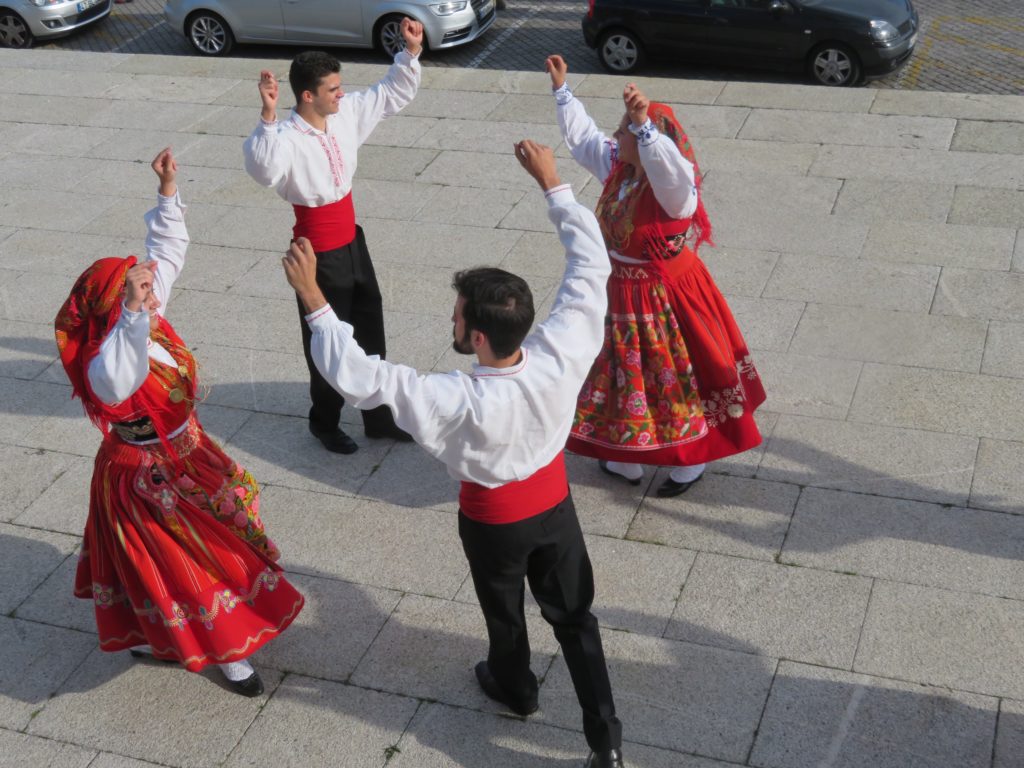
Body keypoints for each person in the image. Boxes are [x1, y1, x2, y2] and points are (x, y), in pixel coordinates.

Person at [282, 141, 625, 768]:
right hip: (555, 507)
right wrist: (553, 184)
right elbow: (589, 266)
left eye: (459, 315)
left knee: (505, 611)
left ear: (479, 337)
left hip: (494, 521)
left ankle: (516, 687)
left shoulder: (454, 397)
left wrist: (315, 300)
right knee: (576, 619)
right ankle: (605, 740)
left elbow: (362, 378)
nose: (452, 318)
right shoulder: (563, 350)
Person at [54, 148, 304, 697]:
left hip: (188, 451)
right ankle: (226, 653)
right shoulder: (107, 362)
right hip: (146, 476)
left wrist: (168, 191)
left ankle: (163, 630)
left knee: (234, 512)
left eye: (144, 282)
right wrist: (137, 317)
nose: (148, 282)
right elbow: (123, 375)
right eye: (136, 285)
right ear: (116, 305)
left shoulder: (145, 310)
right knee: (188, 560)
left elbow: (166, 251)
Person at [545, 55, 766, 497]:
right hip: (620, 294)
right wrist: (562, 90)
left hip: (666, 298)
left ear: (648, 141)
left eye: (624, 131)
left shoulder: (672, 189)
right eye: (625, 128)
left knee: (677, 377)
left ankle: (693, 457)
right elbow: (585, 139)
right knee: (626, 378)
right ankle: (626, 456)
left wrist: (644, 125)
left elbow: (669, 171)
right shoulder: (620, 169)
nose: (617, 135)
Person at [243, 20, 424, 455]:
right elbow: (263, 171)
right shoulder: (284, 137)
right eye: (333, 89)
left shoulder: (345, 116)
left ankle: (378, 417)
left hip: (353, 240)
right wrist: (268, 115)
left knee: (369, 328)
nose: (342, 94)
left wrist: (411, 52)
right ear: (308, 95)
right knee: (325, 340)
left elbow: (389, 92)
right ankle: (324, 422)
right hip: (317, 252)